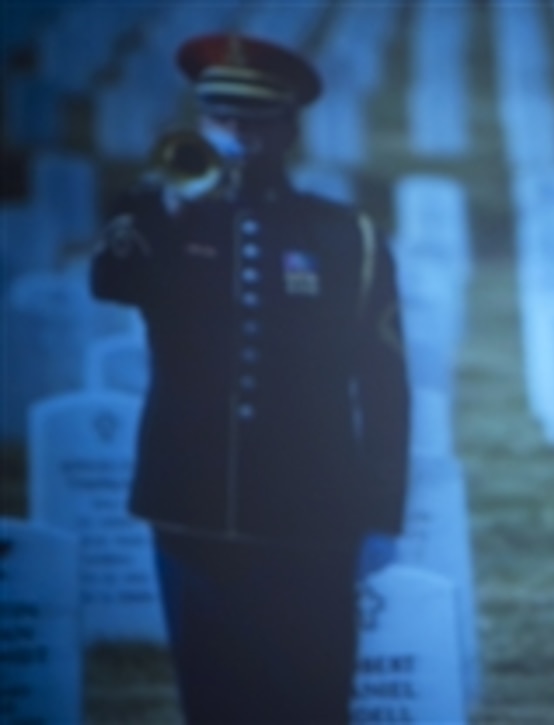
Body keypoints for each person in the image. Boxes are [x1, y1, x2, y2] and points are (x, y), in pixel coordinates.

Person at [90, 33, 410, 724]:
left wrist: (383, 511)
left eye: (254, 119)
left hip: (314, 515)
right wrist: (162, 205)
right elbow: (111, 279)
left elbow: (384, 382)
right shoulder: (162, 221)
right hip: (191, 512)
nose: (235, 133)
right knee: (212, 704)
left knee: (314, 700)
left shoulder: (343, 236)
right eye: (219, 116)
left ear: (288, 127)